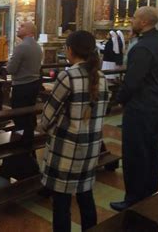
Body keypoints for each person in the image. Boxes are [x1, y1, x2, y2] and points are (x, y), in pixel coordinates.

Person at [40, 30, 109, 232]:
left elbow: (47, 117)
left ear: (70, 50)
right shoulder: (102, 77)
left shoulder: (68, 76)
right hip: (91, 147)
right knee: (85, 196)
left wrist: (47, 127)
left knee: (61, 203)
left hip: (66, 149)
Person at [110, 7, 158, 212]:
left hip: (140, 107)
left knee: (135, 153)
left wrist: (119, 100)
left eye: (135, 18)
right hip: (155, 105)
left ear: (144, 22)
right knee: (150, 150)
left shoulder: (143, 47)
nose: (132, 20)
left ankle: (134, 198)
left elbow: (132, 81)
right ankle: (149, 191)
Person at [0, 21, 42, 179]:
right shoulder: (37, 46)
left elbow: (11, 69)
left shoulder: (22, 46)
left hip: (22, 87)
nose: (19, 27)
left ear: (30, 30)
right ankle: (28, 148)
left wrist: (7, 65)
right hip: (33, 85)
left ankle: (20, 153)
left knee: (19, 120)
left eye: (22, 26)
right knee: (28, 118)